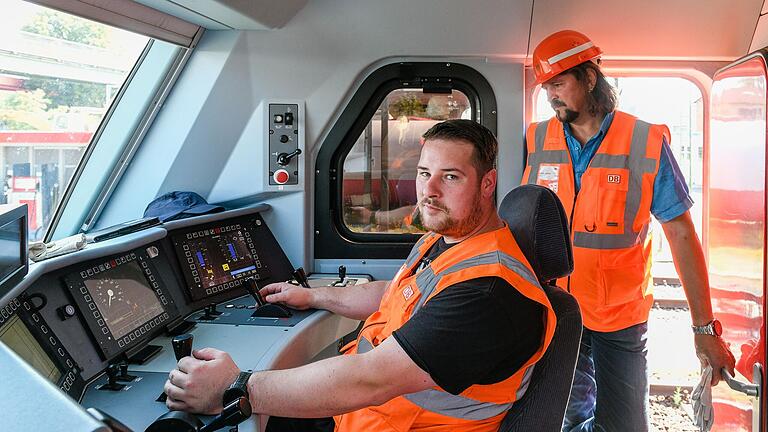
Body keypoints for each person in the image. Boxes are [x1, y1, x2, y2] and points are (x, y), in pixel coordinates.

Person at [164, 119, 557, 432]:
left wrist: (235, 388)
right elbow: (398, 293)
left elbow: (371, 380)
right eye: (424, 173)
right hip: (365, 415)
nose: (429, 191)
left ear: (487, 184)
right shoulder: (450, 240)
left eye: (450, 177)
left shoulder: (488, 293)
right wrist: (314, 296)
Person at [523, 30, 736, 432]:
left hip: (618, 316)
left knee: (624, 426)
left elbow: (682, 234)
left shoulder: (645, 141)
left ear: (589, 78)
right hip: (555, 311)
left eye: (559, 83)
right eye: (546, 86)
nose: (552, 95)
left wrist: (704, 329)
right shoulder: (535, 138)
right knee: (564, 419)